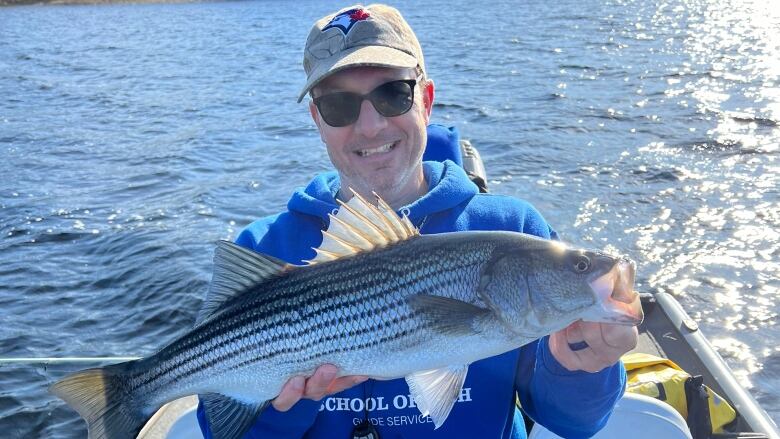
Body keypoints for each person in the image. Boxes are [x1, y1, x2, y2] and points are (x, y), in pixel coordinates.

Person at [197, 4, 637, 438]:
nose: (370, 126)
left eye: (392, 94)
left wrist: (582, 366)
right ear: (317, 120)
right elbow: (223, 432)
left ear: (425, 100)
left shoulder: (515, 227)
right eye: (338, 105)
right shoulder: (264, 246)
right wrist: (288, 406)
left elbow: (575, 424)